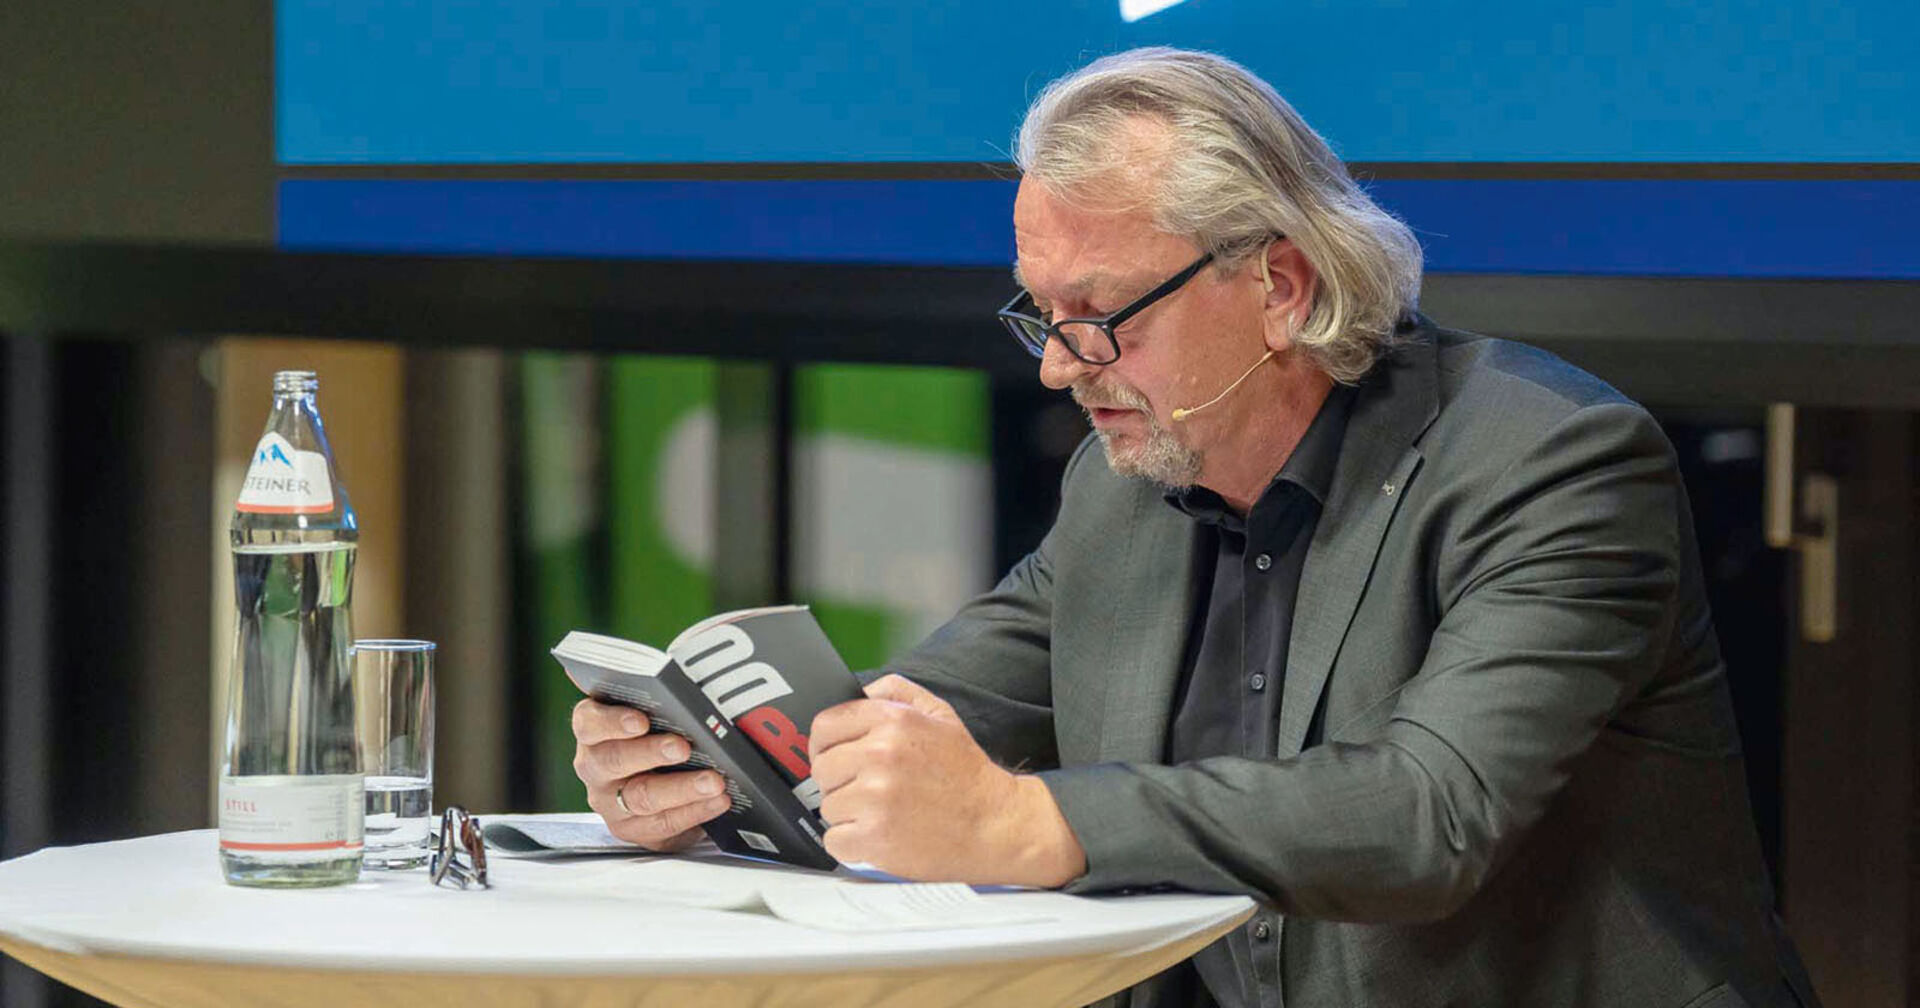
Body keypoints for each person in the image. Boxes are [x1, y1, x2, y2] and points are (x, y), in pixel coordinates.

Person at [570, 47, 1819, 1008]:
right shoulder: (1124, 484)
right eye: (1040, 315)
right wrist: (717, 770)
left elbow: (1426, 815)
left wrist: (1030, 826)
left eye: (1102, 314)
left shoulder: (1552, 464)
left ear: (1280, 285)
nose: (1062, 369)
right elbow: (923, 717)